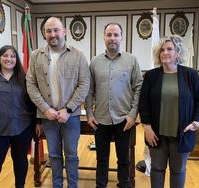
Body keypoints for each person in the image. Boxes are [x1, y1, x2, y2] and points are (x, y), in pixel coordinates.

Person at [26, 17, 90, 188]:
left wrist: (68, 110)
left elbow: (84, 84)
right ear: (44, 34)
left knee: (71, 155)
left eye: (56, 30)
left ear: (64, 32)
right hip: (48, 117)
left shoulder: (78, 55)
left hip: (71, 117)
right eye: (48, 31)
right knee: (54, 155)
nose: (52, 34)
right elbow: (30, 85)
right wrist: (45, 109)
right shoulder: (35, 56)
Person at [138, 35, 199, 188]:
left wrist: (196, 122)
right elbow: (144, 103)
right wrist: (147, 127)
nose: (165, 52)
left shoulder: (190, 75)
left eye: (169, 49)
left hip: (182, 133)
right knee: (156, 168)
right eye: (162, 50)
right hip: (156, 134)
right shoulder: (151, 76)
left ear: (178, 53)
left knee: (178, 170)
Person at [85, 23, 143, 188]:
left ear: (121, 37)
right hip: (100, 119)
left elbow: (139, 87)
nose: (112, 38)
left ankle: (124, 184)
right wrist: (89, 114)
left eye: (116, 35)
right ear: (104, 37)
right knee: (101, 158)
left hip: (124, 119)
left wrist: (133, 115)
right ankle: (100, 185)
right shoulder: (95, 62)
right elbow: (89, 90)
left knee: (124, 158)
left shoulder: (131, 60)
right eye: (109, 34)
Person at [0, 45, 35, 188]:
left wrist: (38, 122)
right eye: (5, 55)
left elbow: (33, 102)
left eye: (12, 56)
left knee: (20, 160)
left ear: (17, 59)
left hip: (22, 128)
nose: (9, 59)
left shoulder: (25, 79)